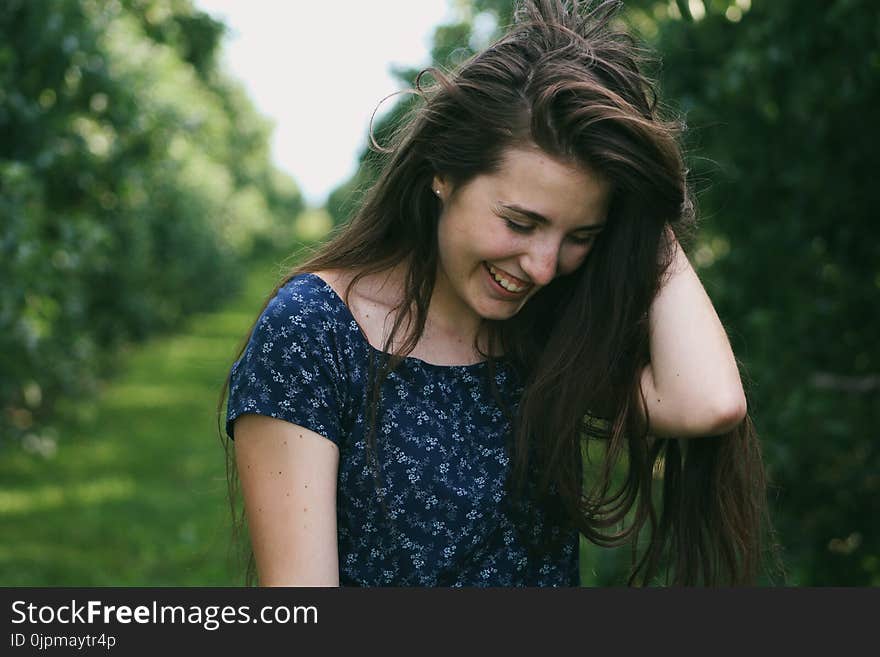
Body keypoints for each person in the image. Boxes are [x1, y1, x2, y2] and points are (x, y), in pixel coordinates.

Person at [220, 0, 776, 587]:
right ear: (443, 172)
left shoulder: (541, 333)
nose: (542, 267)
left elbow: (708, 400)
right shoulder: (313, 331)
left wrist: (644, 206)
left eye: (579, 235)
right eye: (520, 221)